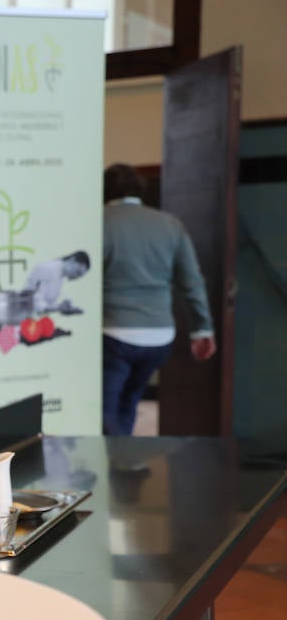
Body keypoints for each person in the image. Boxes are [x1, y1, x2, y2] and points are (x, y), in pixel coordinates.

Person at [100, 163, 216, 435]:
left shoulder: (100, 221)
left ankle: (116, 464)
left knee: (104, 412)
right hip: (159, 335)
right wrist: (203, 328)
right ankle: (124, 466)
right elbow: (192, 281)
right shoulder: (170, 225)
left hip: (113, 332)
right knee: (129, 403)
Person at [23, 250, 90, 313]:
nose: (76, 277)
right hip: (23, 317)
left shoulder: (60, 275)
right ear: (72, 260)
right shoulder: (47, 268)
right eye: (78, 272)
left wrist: (61, 306)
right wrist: (59, 308)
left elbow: (47, 303)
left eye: (79, 276)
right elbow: (34, 302)